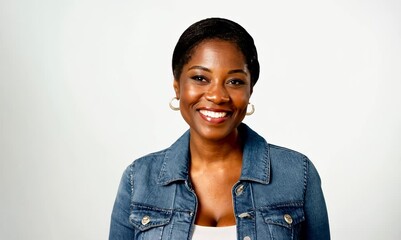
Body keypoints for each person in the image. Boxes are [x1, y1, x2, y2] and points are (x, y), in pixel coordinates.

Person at [109, 17, 330, 240]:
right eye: (200, 78)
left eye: (234, 81)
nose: (217, 96)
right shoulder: (138, 179)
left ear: (250, 90)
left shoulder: (297, 175)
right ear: (177, 86)